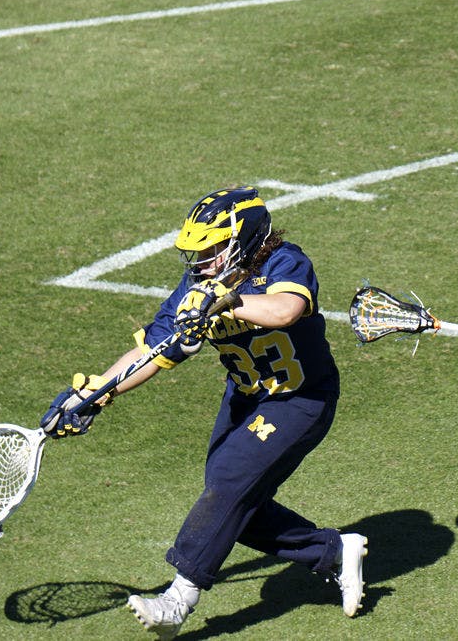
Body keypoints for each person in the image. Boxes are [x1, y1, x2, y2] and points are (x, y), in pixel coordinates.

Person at [39, 186, 367, 640]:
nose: (201, 262)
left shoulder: (285, 261)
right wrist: (93, 394)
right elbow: (153, 349)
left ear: (245, 240)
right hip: (247, 395)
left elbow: (286, 308)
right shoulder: (194, 286)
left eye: (211, 250)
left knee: (231, 480)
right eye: (196, 253)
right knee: (231, 495)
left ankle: (179, 599)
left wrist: (225, 302)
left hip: (300, 398)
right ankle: (329, 550)